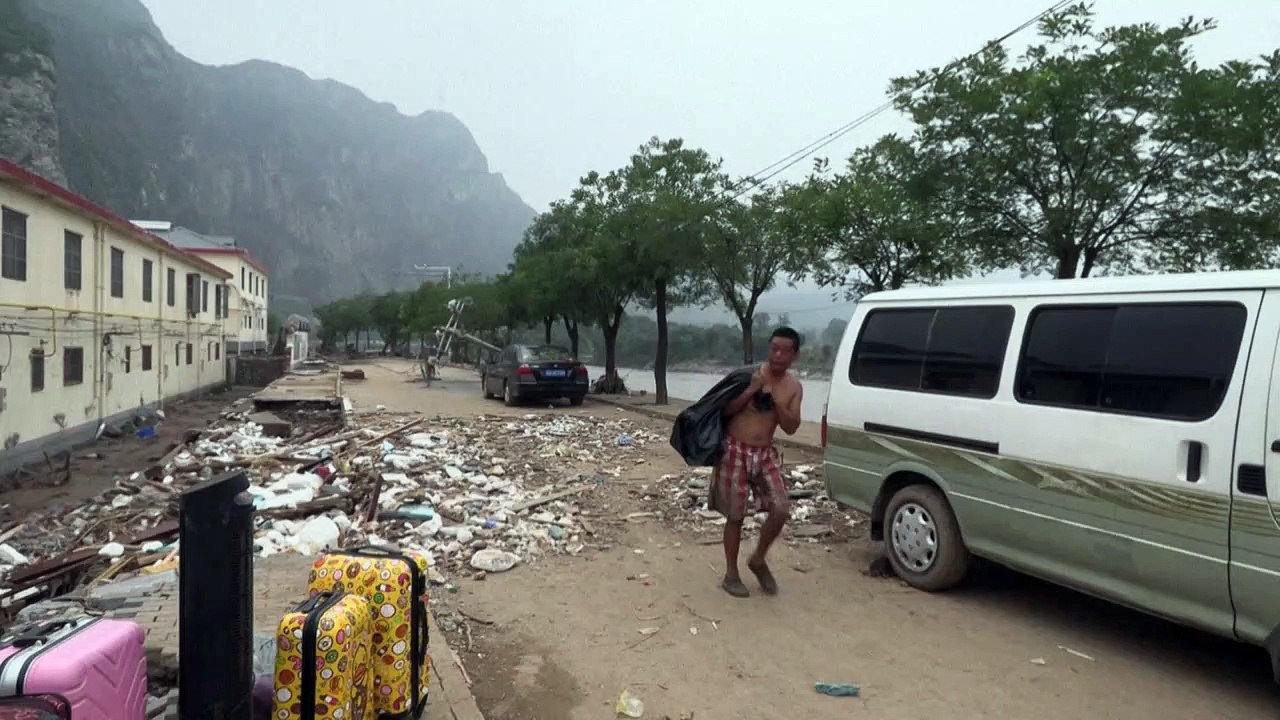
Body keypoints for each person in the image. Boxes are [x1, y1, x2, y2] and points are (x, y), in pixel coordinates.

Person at [710, 326, 804, 597]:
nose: (777, 354)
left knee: (781, 508)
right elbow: (724, 410)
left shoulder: (793, 387)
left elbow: (792, 427)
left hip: (764, 455)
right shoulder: (748, 375)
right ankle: (731, 573)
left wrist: (776, 402)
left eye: (784, 350)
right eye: (773, 348)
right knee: (735, 515)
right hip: (735, 450)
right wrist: (751, 390)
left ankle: (758, 559)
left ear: (794, 355)